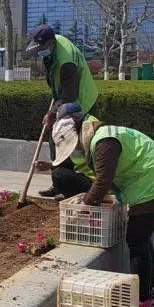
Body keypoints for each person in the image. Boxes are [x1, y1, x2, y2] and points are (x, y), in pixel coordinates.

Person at [49, 114, 154, 307]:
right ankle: (147, 293)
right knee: (141, 238)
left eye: (74, 146)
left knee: (136, 240)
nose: (77, 150)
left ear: (78, 135)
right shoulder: (103, 136)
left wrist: (85, 205)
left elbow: (102, 182)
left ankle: (143, 300)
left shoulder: (104, 142)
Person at [24, 25, 99, 198]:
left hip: (79, 101)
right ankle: (58, 184)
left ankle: (75, 187)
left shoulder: (66, 62)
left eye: (41, 48)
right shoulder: (53, 44)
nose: (39, 52)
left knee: (70, 142)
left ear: (50, 43)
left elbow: (69, 95)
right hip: (65, 98)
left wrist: (51, 113)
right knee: (55, 140)